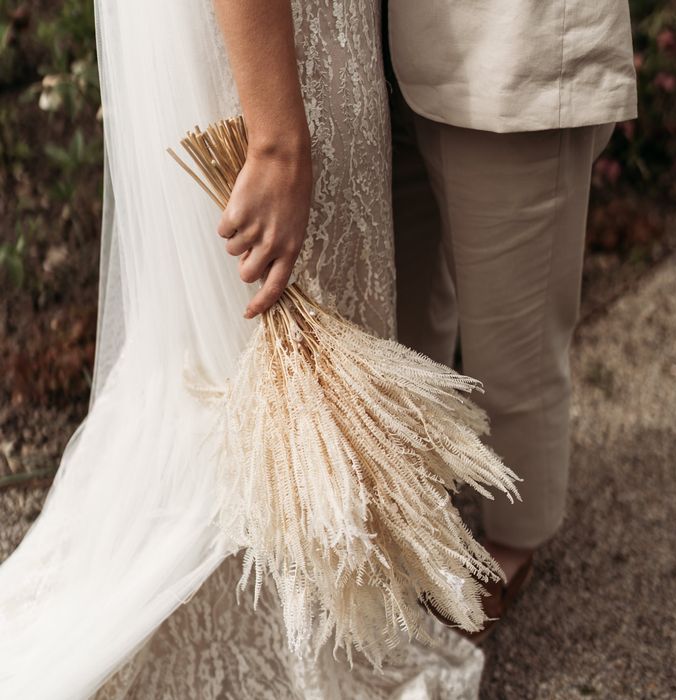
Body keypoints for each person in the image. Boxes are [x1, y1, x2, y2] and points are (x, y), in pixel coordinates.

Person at [0, 0, 485, 697]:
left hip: (240, 46)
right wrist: (277, 141)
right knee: (261, 343)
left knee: (216, 354)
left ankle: (306, 586)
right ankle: (293, 614)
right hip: (272, 59)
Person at [384, 0, 638, 637]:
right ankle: (415, 489)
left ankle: (517, 535)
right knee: (403, 313)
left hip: (509, 45)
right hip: (374, 46)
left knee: (512, 330)